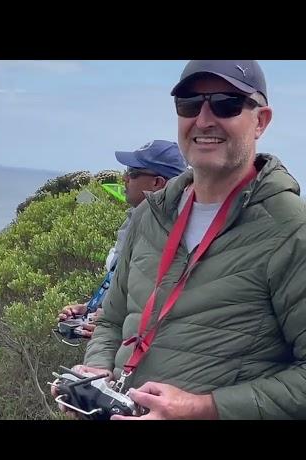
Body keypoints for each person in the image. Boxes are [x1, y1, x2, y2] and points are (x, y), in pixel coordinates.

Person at [62, 60, 306, 420]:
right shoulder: (152, 215)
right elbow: (112, 321)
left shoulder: (290, 229)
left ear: (261, 121)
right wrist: (96, 372)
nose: (204, 119)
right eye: (189, 104)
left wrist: (201, 408)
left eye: (226, 103)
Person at [57, 140, 187, 337]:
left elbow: (168, 311)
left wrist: (116, 324)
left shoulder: (175, 235)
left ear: (158, 183)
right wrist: (91, 308)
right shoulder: (134, 220)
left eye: (133, 173)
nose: (125, 177)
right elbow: (129, 288)